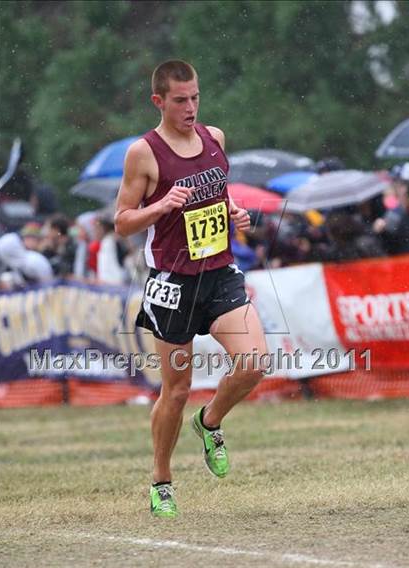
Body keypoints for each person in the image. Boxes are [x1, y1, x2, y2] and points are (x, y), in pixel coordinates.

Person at [114, 60, 268, 518]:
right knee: (176, 389)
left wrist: (237, 214)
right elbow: (122, 222)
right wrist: (160, 205)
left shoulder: (215, 138)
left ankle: (211, 421)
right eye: (180, 100)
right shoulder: (143, 153)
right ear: (158, 101)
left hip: (219, 274)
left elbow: (218, 197)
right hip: (173, 284)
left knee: (256, 362)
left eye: (195, 97)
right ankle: (161, 479)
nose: (190, 107)